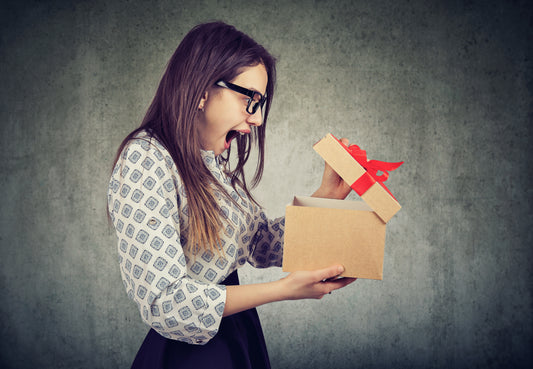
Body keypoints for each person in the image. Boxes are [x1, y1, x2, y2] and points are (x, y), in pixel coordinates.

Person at [107, 21, 356, 369]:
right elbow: (166, 303)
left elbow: (260, 243)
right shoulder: (145, 159)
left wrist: (327, 194)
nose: (255, 119)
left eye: (260, 103)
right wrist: (283, 290)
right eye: (248, 99)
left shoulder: (211, 159)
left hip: (239, 335)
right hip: (190, 356)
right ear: (202, 90)